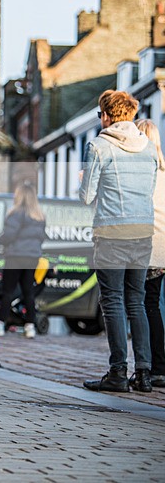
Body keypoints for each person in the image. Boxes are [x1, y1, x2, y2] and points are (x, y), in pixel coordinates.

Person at [80, 90, 158, 393]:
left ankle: (116, 373)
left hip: (111, 232)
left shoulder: (99, 146)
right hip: (142, 231)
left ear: (106, 115)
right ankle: (144, 373)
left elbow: (86, 196)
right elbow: (149, 190)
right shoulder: (150, 148)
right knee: (136, 301)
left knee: (112, 301)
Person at [0, 184, 47, 339]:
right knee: (28, 292)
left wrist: (0, 241)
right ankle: (30, 326)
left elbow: (9, 235)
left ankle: (0, 324)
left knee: (7, 290)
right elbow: (41, 238)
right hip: (32, 257)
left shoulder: (16, 213)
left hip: (15, 255)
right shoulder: (40, 216)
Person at [135, 119, 165, 388]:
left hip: (145, 247)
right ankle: (158, 366)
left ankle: (144, 365)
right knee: (152, 305)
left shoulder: (143, 175)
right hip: (162, 250)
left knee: (137, 305)